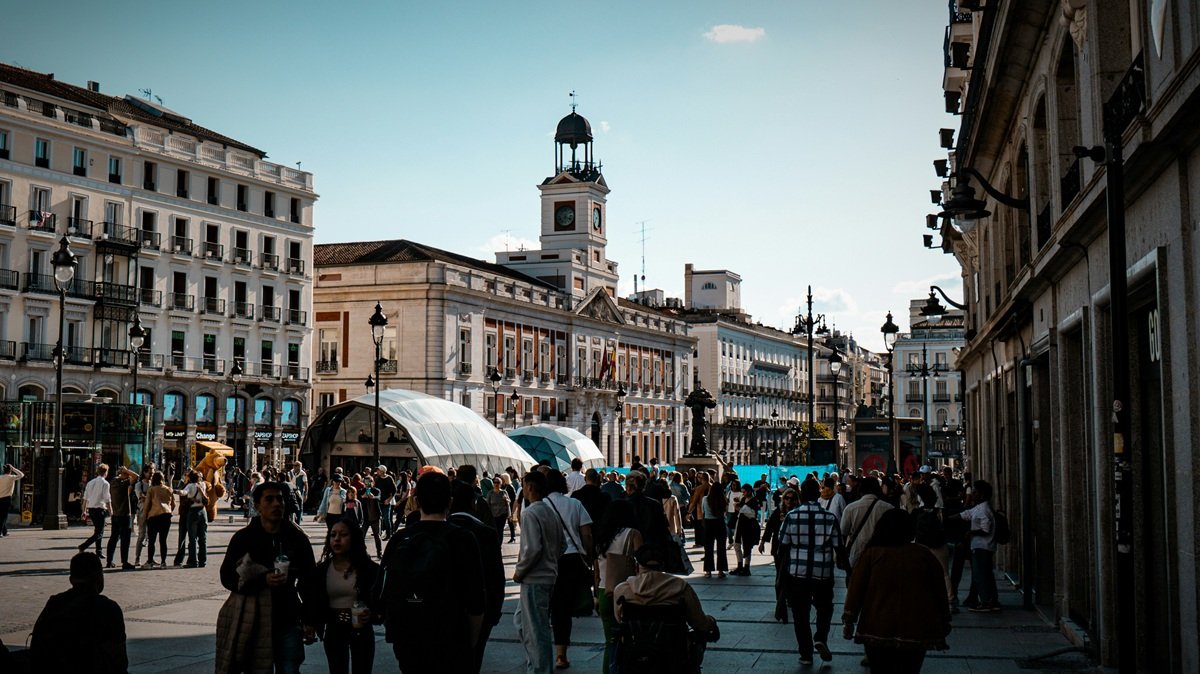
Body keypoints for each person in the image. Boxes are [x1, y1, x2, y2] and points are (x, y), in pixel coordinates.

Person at [377, 469, 485, 673]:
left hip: (408, 635)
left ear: (417, 502)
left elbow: (382, 589)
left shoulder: (401, 538)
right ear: (450, 502)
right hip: (449, 632)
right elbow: (476, 598)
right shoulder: (463, 538)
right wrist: (470, 641)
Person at [217, 481, 318, 673]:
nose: (276, 504)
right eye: (269, 500)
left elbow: (310, 580)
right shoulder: (244, 538)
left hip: (288, 616)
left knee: (289, 669)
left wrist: (310, 619)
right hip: (254, 617)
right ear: (258, 506)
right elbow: (227, 576)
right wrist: (262, 581)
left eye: (280, 499)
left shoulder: (296, 538)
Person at [842, 509, 951, 673]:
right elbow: (939, 590)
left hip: (877, 628)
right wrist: (944, 618)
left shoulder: (872, 554)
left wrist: (849, 619)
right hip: (914, 630)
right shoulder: (923, 555)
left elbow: (856, 589)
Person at [613, 544, 719, 671]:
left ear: (637, 566)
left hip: (634, 655)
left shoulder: (622, 590)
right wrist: (712, 622)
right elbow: (698, 622)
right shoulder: (680, 588)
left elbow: (619, 619)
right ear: (662, 565)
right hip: (673, 656)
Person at [779, 478, 844, 666]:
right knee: (825, 607)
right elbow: (839, 547)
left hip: (797, 573)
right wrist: (846, 568)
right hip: (822, 572)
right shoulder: (829, 518)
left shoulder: (791, 516)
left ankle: (806, 654)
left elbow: (782, 545)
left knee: (800, 613)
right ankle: (820, 637)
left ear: (801, 494)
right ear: (818, 494)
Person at [30, 552, 127, 672]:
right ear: (99, 577)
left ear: (71, 580)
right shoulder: (109, 608)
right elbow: (120, 661)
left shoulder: (54, 603)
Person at [448, 476, 506, 673]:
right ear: (473, 503)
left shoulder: (440, 530)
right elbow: (497, 577)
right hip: (481, 607)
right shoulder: (487, 533)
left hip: (444, 608)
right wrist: (495, 610)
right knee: (474, 657)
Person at [310, 519, 379, 674]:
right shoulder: (322, 570)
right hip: (334, 628)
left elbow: (380, 601)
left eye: (343, 535)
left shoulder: (369, 569)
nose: (337, 539)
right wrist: (312, 623)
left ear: (354, 538)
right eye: (333, 535)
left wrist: (372, 613)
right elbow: (315, 600)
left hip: (361, 629)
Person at [513, 470, 564, 674]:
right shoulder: (551, 512)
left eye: (525, 486)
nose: (523, 490)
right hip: (548, 575)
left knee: (535, 629)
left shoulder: (530, 513)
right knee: (522, 621)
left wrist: (519, 571)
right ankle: (535, 663)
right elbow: (562, 544)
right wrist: (551, 560)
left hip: (534, 577)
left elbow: (532, 549)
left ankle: (540, 668)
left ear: (530, 487)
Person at [545, 470, 594, 670]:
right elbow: (587, 533)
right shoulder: (575, 504)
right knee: (563, 608)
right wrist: (589, 555)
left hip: (547, 560)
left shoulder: (541, 505)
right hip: (572, 559)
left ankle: (540, 653)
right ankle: (561, 654)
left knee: (546, 607)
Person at [594, 499, 642, 673]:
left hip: (603, 591)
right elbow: (643, 563)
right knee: (631, 640)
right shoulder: (633, 534)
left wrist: (595, 596)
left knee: (610, 642)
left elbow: (596, 571)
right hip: (626, 592)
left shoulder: (602, 537)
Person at [960, 479, 999, 612]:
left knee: (981, 575)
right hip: (980, 546)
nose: (973, 494)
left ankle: (986, 602)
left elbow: (985, 530)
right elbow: (967, 514)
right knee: (986, 574)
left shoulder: (984, 509)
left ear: (981, 495)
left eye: (975, 492)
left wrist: (971, 532)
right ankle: (992, 601)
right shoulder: (979, 507)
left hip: (982, 547)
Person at [760, 487, 798, 623]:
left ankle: (789, 598)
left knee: (791, 575)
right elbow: (770, 526)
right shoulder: (778, 511)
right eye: (787, 498)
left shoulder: (798, 513)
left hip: (793, 548)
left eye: (792, 498)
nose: (789, 501)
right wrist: (763, 542)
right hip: (779, 548)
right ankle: (781, 600)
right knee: (780, 575)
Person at [840, 475, 894, 572]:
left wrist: (842, 558)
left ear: (861, 490)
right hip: (881, 557)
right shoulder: (888, 508)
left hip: (857, 556)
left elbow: (843, 534)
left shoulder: (850, 508)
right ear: (878, 490)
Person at [689, 471, 728, 578]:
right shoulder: (722, 500)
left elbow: (703, 511)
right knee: (721, 548)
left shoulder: (705, 499)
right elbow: (724, 512)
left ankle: (708, 571)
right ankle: (721, 571)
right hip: (720, 523)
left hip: (708, 523)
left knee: (708, 548)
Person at [103, 465, 139, 570]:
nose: (129, 476)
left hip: (115, 515)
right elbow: (136, 476)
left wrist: (124, 472)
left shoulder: (113, 482)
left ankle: (109, 561)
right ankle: (124, 562)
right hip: (124, 515)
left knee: (113, 538)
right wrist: (127, 471)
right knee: (125, 540)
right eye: (127, 475)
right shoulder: (123, 483)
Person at [141, 472, 175, 568]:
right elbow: (174, 504)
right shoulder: (168, 489)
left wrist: (144, 517)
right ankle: (163, 562)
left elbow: (147, 505)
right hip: (166, 516)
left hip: (154, 516)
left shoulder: (151, 489)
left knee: (152, 541)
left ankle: (150, 561)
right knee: (163, 541)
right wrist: (169, 510)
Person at [79, 464, 113, 557]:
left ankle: (99, 551)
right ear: (106, 472)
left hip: (91, 509)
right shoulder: (105, 484)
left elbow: (85, 498)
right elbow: (107, 499)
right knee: (99, 533)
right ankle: (84, 546)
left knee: (98, 531)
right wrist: (111, 511)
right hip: (100, 510)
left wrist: (84, 511)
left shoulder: (90, 482)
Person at [180, 470, 209, 567]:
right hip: (203, 512)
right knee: (203, 538)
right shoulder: (203, 485)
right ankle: (203, 561)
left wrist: (175, 491)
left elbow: (183, 493)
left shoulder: (190, 486)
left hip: (193, 512)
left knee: (192, 538)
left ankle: (193, 561)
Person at [731, 484, 760, 576]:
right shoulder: (743, 499)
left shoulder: (754, 500)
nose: (743, 494)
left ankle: (746, 568)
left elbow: (752, 514)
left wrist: (740, 508)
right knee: (737, 544)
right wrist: (738, 505)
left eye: (744, 492)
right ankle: (740, 566)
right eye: (742, 492)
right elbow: (741, 509)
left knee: (747, 546)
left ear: (749, 491)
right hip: (740, 524)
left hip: (749, 526)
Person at [0, 463, 25, 537]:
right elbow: (21, 475)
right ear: (10, 471)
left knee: (1, 515)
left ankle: (4, 531)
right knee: (3, 516)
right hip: (6, 498)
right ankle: (0, 532)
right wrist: (14, 468)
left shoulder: (0, 477)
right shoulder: (11, 477)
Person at [374, 466, 397, 539]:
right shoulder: (377, 479)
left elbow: (394, 490)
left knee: (386, 518)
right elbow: (375, 489)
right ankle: (378, 533)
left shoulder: (389, 478)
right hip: (378, 501)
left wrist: (389, 499)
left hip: (386, 502)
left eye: (378, 470)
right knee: (378, 518)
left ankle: (388, 534)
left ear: (382, 471)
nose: (377, 471)